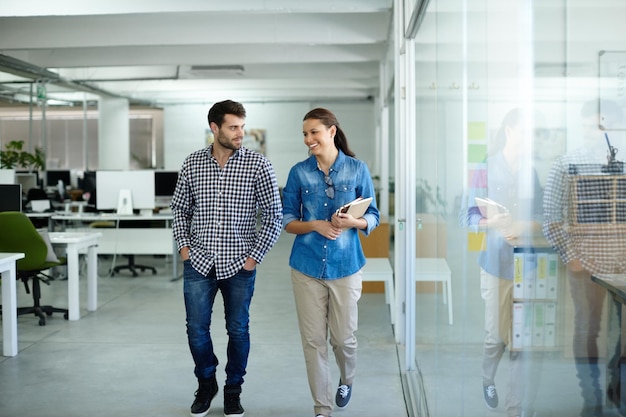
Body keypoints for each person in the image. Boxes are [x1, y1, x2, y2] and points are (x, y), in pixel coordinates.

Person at [170, 99, 283, 417]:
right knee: (196, 329)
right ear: (215, 128)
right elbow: (180, 209)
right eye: (234, 127)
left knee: (239, 330)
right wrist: (184, 247)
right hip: (199, 261)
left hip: (239, 264)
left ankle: (233, 389)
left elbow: (273, 215)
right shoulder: (193, 163)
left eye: (243, 127)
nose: (240, 133)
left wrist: (254, 257)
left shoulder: (258, 164)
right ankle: (206, 383)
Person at [282, 108, 380, 417]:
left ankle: (347, 378)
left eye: (314, 132)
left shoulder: (357, 169)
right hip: (306, 267)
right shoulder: (299, 172)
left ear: (331, 132)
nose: (308, 139)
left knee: (343, 339)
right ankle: (321, 408)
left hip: (346, 266)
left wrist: (356, 222)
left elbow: (374, 216)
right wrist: (315, 225)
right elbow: (286, 219)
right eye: (305, 134)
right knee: (313, 342)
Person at [543, 99, 626, 417]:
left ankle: (616, 390)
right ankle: (591, 398)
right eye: (587, 125)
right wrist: (571, 256)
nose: (591, 132)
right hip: (586, 264)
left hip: (623, 264)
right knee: (587, 330)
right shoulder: (567, 163)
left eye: (599, 125)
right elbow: (551, 218)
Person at [459, 108, 544, 417]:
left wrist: (522, 227)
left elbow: (542, 218)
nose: (529, 139)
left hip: (526, 266)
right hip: (494, 264)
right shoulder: (485, 168)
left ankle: (515, 408)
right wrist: (493, 223)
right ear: (510, 130)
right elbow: (466, 217)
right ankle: (487, 379)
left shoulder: (530, 172)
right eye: (525, 132)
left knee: (521, 340)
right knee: (496, 335)